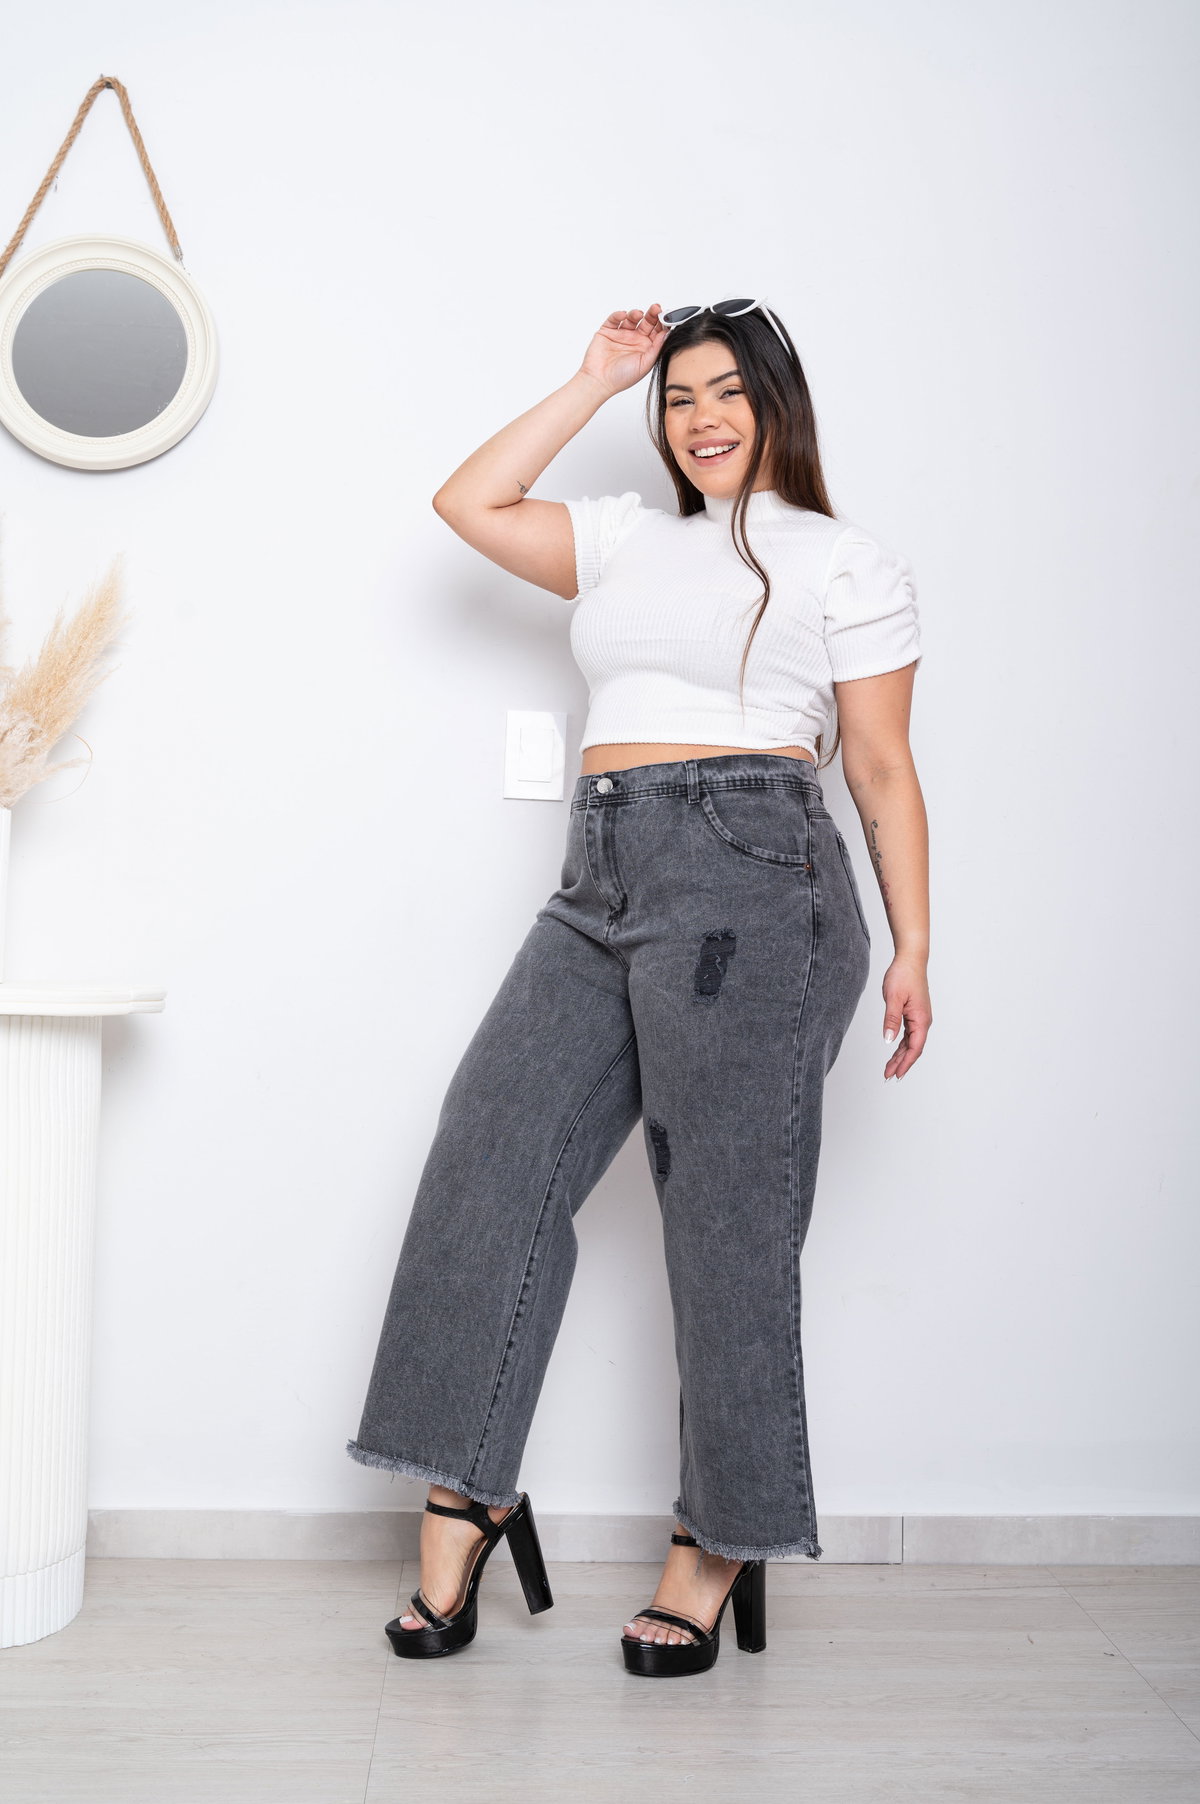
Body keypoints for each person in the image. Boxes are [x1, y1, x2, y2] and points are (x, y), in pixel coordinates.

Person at [346, 298, 932, 1677]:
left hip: (756, 878)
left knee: (726, 1223)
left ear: (778, 404)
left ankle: (718, 1539)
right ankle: (467, 1489)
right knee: (489, 1161)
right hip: (598, 874)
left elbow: (880, 765)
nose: (702, 418)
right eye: (678, 399)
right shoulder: (619, 535)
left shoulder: (844, 560)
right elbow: (468, 501)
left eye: (728, 392)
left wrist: (915, 942)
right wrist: (592, 378)